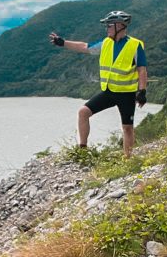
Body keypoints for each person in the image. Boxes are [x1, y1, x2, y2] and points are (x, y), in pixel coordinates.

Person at [49, 10, 147, 157]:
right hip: (108, 91)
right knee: (83, 112)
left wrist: (142, 91)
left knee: (127, 128)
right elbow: (85, 47)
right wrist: (63, 43)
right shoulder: (105, 43)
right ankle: (83, 151)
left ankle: (128, 159)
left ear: (120, 25)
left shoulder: (135, 45)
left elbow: (142, 70)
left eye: (109, 25)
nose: (107, 28)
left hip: (126, 94)